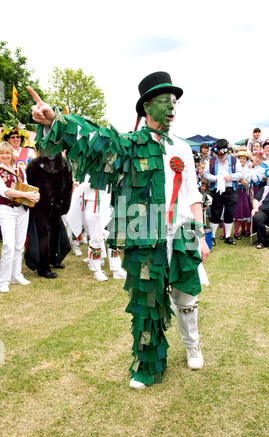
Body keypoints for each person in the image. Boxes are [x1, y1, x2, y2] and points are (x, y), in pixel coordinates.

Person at [27, 71, 210, 390]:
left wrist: (200, 235)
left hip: (181, 231)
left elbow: (193, 193)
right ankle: (149, 365)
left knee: (187, 295)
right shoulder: (129, 146)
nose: (172, 107)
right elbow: (95, 140)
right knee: (148, 301)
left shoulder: (182, 147)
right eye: (166, 101)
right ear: (147, 106)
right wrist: (55, 119)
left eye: (175, 101)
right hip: (144, 232)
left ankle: (192, 345)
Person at [66, 176, 126, 281]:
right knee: (96, 237)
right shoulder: (89, 164)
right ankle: (97, 270)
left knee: (113, 236)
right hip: (93, 202)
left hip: (109, 200)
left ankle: (117, 269)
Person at [25, 152, 73, 278]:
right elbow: (28, 185)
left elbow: (68, 186)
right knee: (43, 236)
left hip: (57, 205)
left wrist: (65, 206)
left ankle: (53, 259)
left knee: (55, 234)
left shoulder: (64, 164)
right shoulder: (34, 164)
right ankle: (43, 267)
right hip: (40, 206)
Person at [0, 141, 40, 293]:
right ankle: (3, 280)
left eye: (7, 153)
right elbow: (5, 192)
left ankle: (16, 274)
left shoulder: (20, 169)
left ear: (12, 155)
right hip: (6, 209)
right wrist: (27, 195)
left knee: (19, 245)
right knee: (8, 245)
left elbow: (28, 187)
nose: (4, 156)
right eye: (1, 153)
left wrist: (35, 196)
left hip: (22, 210)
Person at [204, 138, 243, 245]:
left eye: (221, 155)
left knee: (229, 213)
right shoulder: (211, 161)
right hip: (216, 191)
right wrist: (215, 178)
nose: (219, 156)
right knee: (215, 213)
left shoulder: (234, 160)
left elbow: (240, 173)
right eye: (218, 155)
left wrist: (231, 176)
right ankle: (212, 237)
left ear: (227, 152)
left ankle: (228, 237)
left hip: (231, 190)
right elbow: (206, 174)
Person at [233, 149, 252, 239]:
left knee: (246, 209)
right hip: (237, 190)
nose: (242, 160)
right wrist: (240, 179)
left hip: (245, 191)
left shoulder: (248, 169)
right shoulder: (234, 168)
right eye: (240, 158)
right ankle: (236, 231)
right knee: (238, 211)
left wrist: (244, 181)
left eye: (244, 159)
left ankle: (247, 230)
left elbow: (249, 179)